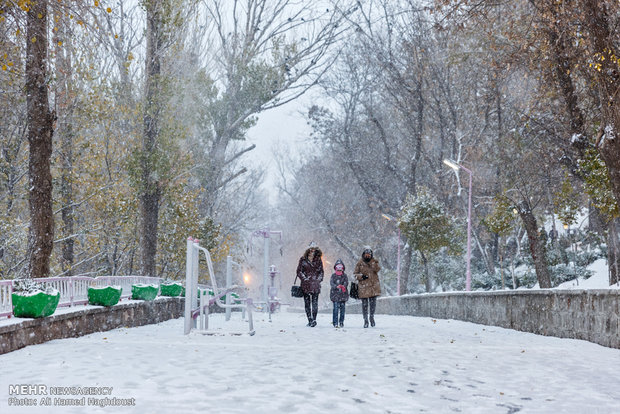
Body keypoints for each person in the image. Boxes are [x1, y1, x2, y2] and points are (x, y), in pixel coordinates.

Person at [296, 241, 324, 327]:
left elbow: (321, 272)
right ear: (308, 250)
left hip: (315, 285)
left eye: (314, 249)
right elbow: (299, 271)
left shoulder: (318, 260)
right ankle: (310, 319)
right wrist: (304, 279)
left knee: (315, 303)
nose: (312, 251)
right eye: (311, 249)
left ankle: (314, 319)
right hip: (306, 285)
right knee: (307, 303)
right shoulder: (303, 259)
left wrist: (318, 280)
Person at [354, 247, 381, 328]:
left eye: (369, 255)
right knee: (364, 305)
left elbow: (377, 269)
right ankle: (365, 320)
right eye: (366, 254)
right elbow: (355, 274)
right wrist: (361, 276)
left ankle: (371, 317)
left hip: (373, 287)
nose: (367, 256)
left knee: (373, 305)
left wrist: (373, 263)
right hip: (363, 287)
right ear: (363, 255)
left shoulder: (374, 262)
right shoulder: (359, 263)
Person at [329, 259, 349, 328]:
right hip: (335, 295)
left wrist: (343, 286)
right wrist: (336, 286)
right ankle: (335, 322)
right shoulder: (333, 276)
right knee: (335, 309)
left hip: (343, 295)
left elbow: (346, 282)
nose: (339, 269)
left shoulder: (344, 276)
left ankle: (341, 322)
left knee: (342, 310)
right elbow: (331, 283)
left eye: (340, 268)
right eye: (338, 267)